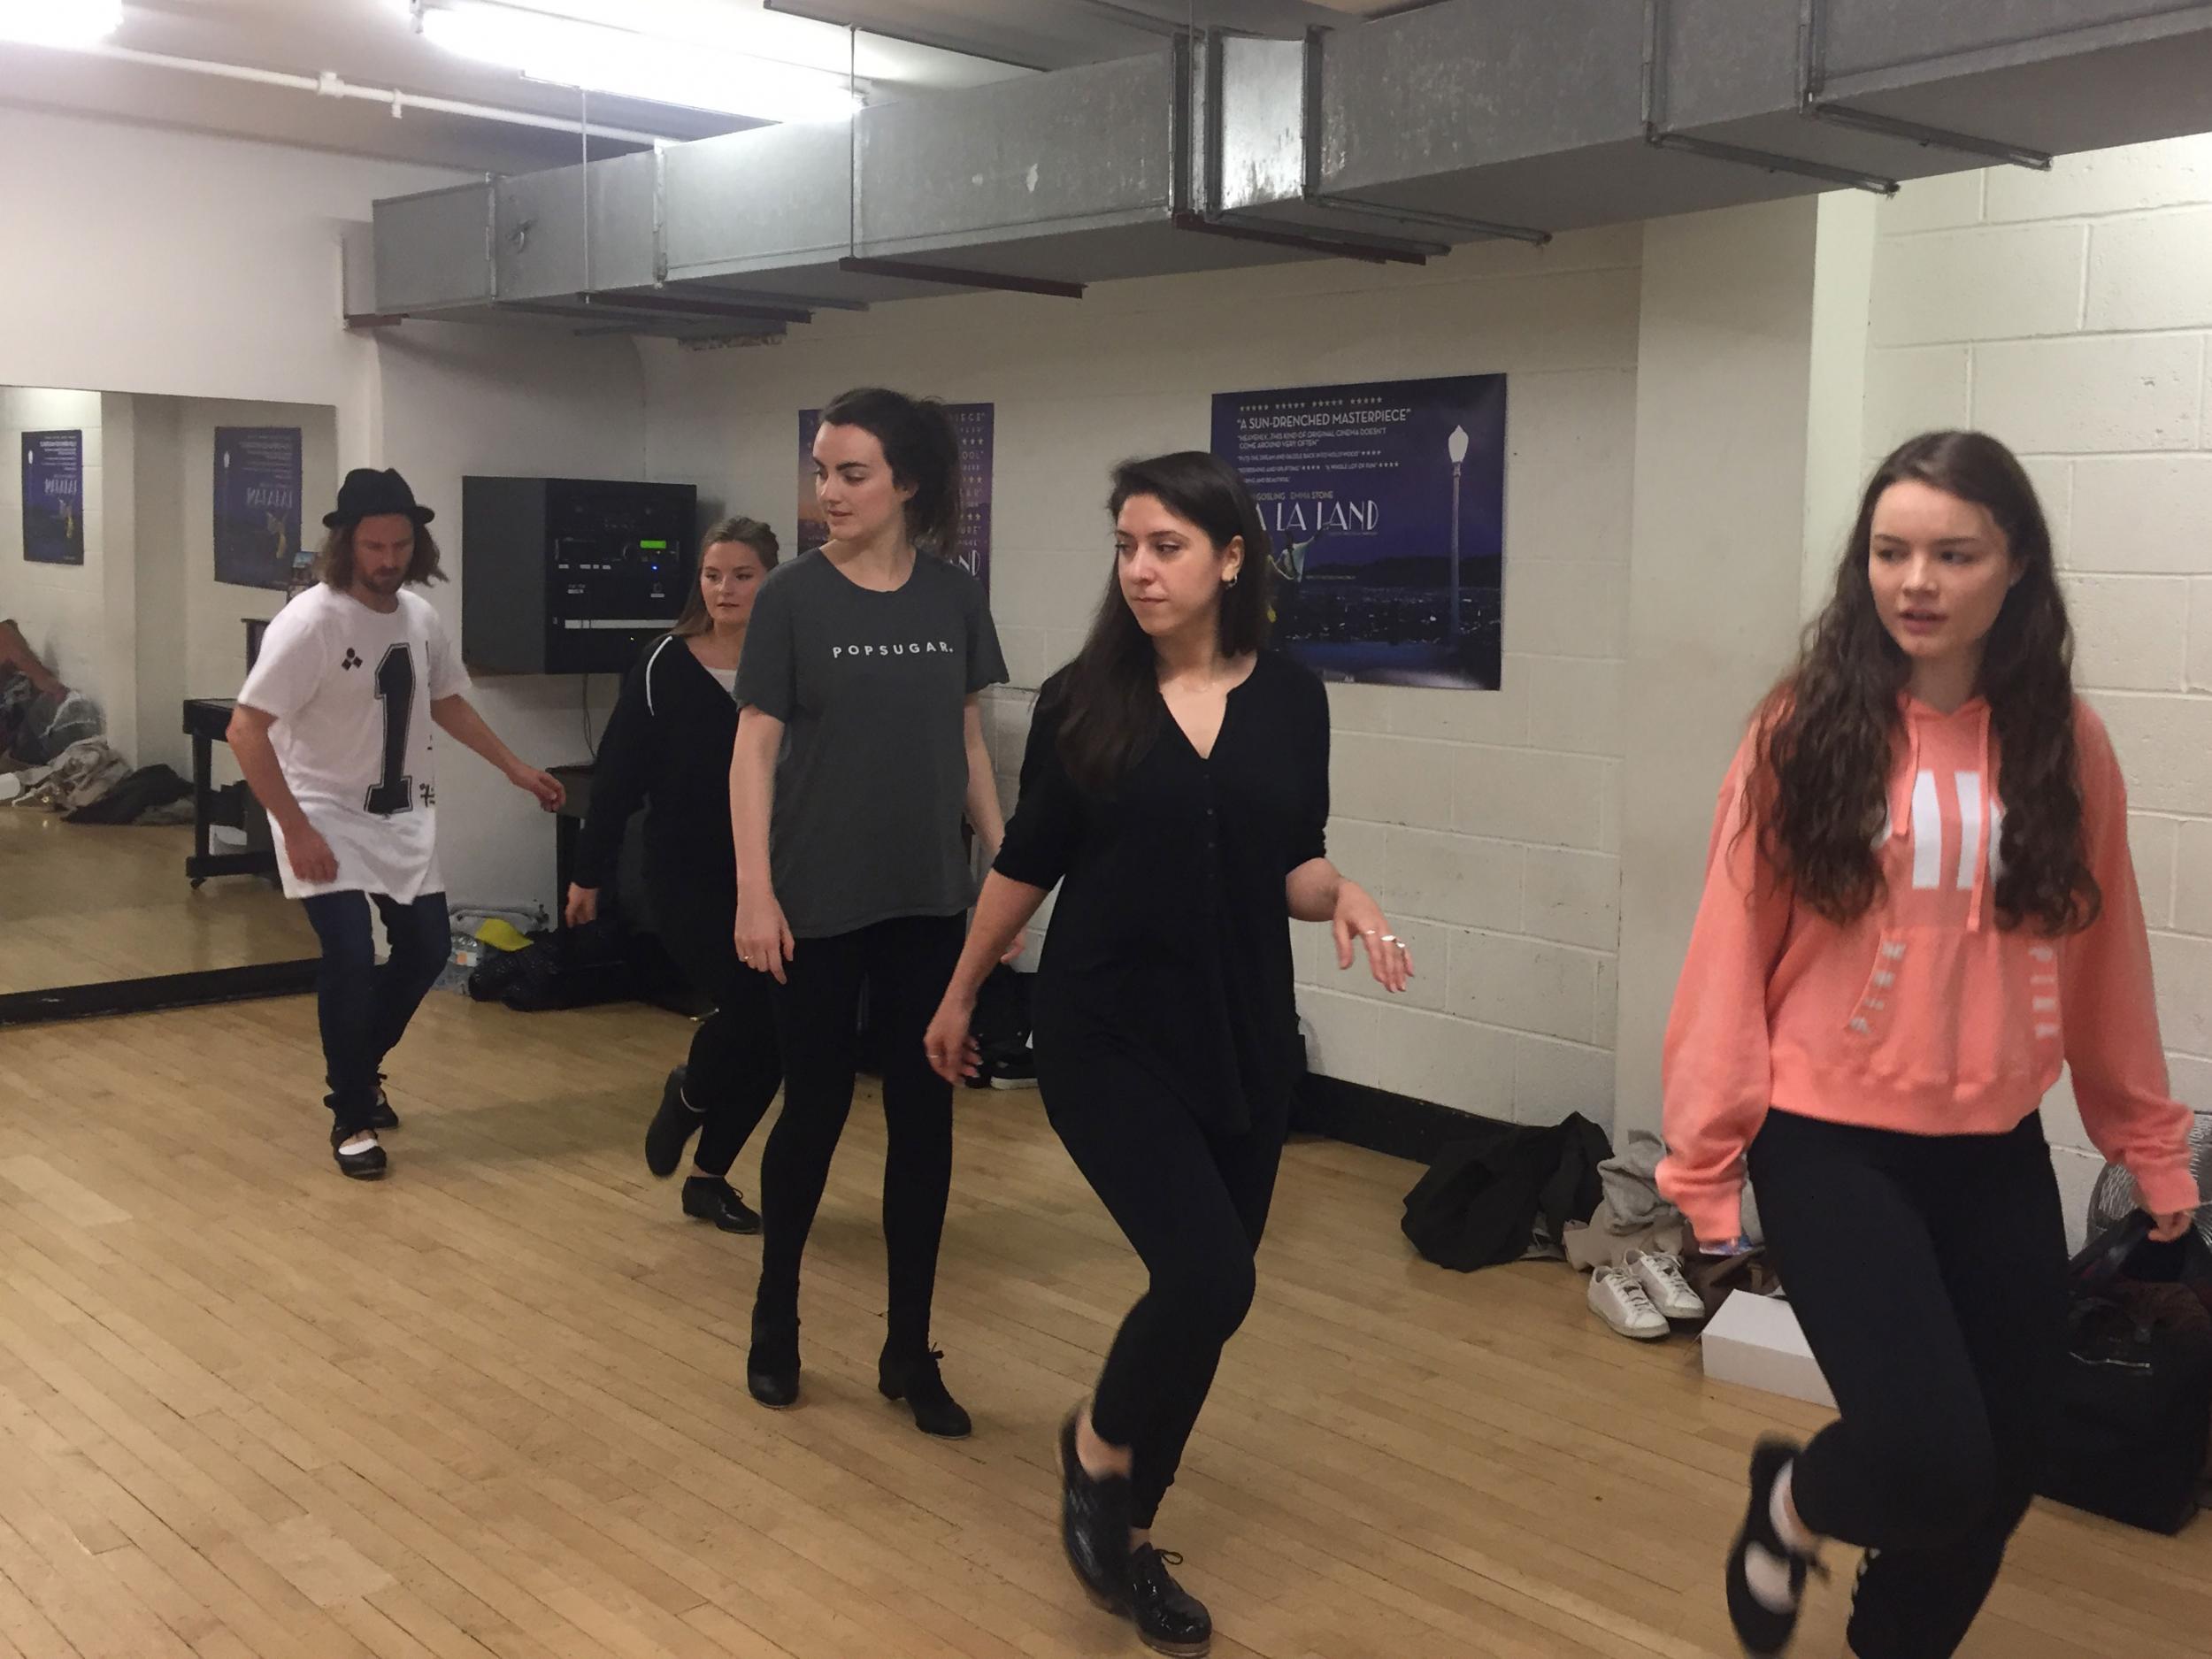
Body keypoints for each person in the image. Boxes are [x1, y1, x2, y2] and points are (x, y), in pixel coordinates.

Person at [1658, 430, 2200, 1659]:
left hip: (1993, 1146)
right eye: (1891, 551)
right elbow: (1727, 950)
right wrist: (1703, 1160)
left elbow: (2106, 959)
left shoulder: (2070, 744)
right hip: (1832, 1145)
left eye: (1954, 553)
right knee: (1926, 1449)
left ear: (2015, 569)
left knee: (2003, 1467)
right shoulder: (1804, 730)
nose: (1917, 579)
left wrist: (2147, 1144)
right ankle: (1794, 1498)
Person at [923, 452, 1412, 1659]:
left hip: (1243, 1028)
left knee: (1207, 1299)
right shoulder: (1086, 696)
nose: (1140, 569)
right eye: (1128, 546)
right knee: (1210, 1274)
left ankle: (1130, 1529)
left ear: (1229, 558)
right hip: (1104, 1028)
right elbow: (1028, 860)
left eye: (1167, 547)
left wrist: (1341, 890)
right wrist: (962, 988)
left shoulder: (1294, 696)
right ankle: (1095, 1450)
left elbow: (1294, 856)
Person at [730, 387, 1006, 1437]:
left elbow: (969, 741)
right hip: (816, 902)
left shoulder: (953, 596)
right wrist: (756, 889)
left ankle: (907, 1349)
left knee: (924, 1122)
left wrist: (1003, 875)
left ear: (908, 484)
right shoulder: (793, 598)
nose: (828, 493)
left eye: (851, 474)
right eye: (821, 473)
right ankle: (775, 1319)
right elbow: (754, 745)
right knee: (814, 1110)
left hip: (928, 901)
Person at [230, 468, 565, 1179]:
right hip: (319, 811)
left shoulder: (420, 618)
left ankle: (361, 1064)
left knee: (423, 949)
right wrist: (294, 829)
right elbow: (245, 730)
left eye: (400, 545)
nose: (387, 560)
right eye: (373, 545)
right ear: (345, 544)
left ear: (418, 544)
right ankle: (350, 1112)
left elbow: (446, 701)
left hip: (400, 812)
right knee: (350, 955)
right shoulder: (310, 621)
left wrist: (514, 766)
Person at [565, 518, 784, 1233]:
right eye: (714, 575)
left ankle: (707, 1177)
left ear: (771, 579)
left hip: (778, 875)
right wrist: (588, 874)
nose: (725, 589)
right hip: (687, 877)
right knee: (753, 1012)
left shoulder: (791, 660)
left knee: (777, 1035)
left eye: (742, 575)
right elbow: (618, 777)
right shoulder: (663, 662)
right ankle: (689, 1096)